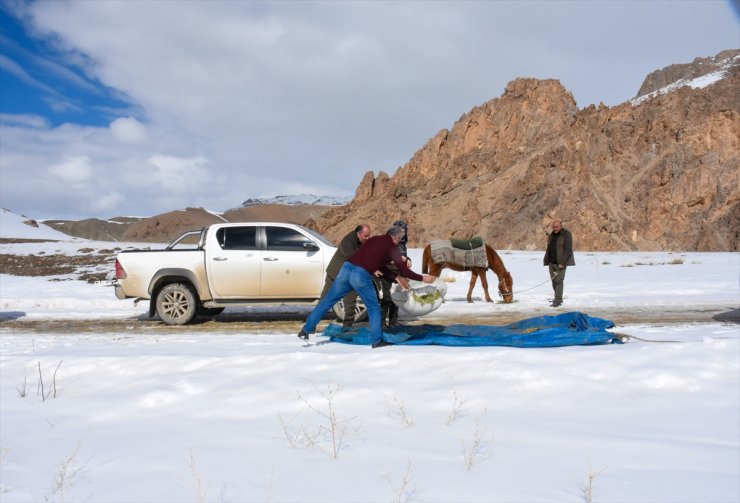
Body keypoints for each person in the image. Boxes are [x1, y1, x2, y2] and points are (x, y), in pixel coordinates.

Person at [298, 225, 436, 348]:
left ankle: (306, 330)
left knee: (327, 301)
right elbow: (405, 271)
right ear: (397, 237)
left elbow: (378, 264)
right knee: (373, 307)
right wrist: (423, 278)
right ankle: (377, 341)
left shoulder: (374, 239)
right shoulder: (393, 248)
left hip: (346, 269)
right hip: (360, 275)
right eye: (401, 238)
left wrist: (395, 277)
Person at [321, 224, 371, 328]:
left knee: (350, 296)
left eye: (369, 235)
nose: (368, 238)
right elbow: (352, 257)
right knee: (325, 298)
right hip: (336, 271)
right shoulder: (348, 241)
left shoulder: (362, 242)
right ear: (358, 233)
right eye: (366, 236)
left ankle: (347, 325)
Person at [378, 219, 410, 327]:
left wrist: (408, 260)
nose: (403, 234)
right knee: (387, 298)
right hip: (388, 273)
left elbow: (403, 256)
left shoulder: (402, 243)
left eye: (404, 232)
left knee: (396, 299)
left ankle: (393, 322)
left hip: (399, 274)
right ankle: (381, 323)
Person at [543, 219, 575, 307]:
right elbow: (549, 249)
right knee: (554, 281)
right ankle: (557, 297)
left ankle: (558, 300)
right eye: (554, 227)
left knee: (559, 280)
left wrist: (562, 262)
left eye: (557, 227)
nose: (555, 228)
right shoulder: (551, 235)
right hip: (551, 262)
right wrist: (547, 260)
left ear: (561, 226)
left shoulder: (567, 234)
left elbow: (568, 249)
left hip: (561, 262)